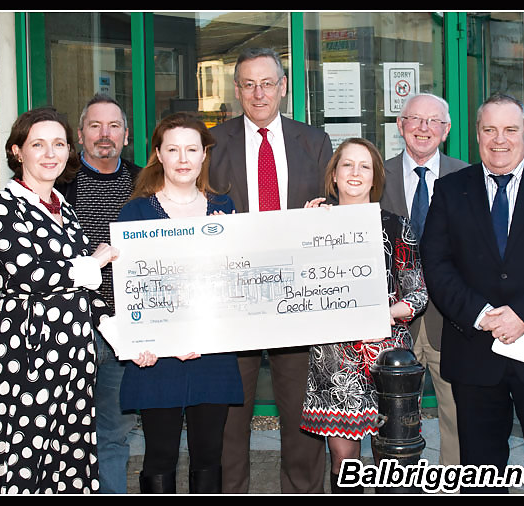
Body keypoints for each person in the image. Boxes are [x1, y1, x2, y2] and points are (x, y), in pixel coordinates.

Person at [421, 93, 524, 493]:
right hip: (475, 352)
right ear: (476, 135)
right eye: (489, 130)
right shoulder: (451, 189)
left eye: (509, 129)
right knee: (481, 474)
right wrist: (482, 314)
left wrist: (523, 314)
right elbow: (436, 264)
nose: (499, 139)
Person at [0, 107, 118, 494]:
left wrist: (127, 339)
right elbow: (26, 276)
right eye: (38, 144)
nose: (50, 153)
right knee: (22, 461)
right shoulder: (2, 203)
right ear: (18, 151)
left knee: (69, 464)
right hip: (29, 358)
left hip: (74, 361)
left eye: (58, 144)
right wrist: (93, 260)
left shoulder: (63, 208)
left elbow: (88, 294)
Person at [208, 47, 332, 494]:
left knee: (301, 410)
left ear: (283, 87)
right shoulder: (213, 143)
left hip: (297, 298)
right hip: (233, 298)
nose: (258, 93)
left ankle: (301, 491)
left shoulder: (314, 141)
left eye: (267, 83)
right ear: (237, 90)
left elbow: (332, 208)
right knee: (229, 413)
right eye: (248, 84)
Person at [117, 112, 244, 494]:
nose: (183, 158)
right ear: (159, 154)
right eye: (173, 149)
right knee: (159, 455)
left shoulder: (224, 209)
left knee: (209, 455)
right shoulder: (135, 212)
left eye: (192, 149)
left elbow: (237, 286)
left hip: (213, 357)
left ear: (204, 154)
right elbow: (130, 290)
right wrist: (151, 341)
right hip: (157, 359)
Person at [300, 137, 428, 493]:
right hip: (333, 361)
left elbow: (418, 295)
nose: (355, 173)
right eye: (347, 165)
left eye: (364, 166)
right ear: (334, 176)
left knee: (393, 465)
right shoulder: (310, 224)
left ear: (375, 178)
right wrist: (300, 231)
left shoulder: (395, 225)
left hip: (386, 359)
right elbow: (293, 288)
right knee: (344, 466)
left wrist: (382, 314)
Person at [56, 94, 140, 494]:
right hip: (73, 328)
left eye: (113, 127)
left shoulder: (145, 185)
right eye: (95, 126)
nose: (104, 135)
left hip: (124, 329)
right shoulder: (58, 187)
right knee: (62, 433)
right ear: (79, 135)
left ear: (127, 135)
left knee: (112, 433)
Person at [379, 93, 467, 467]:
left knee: (458, 419)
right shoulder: (374, 176)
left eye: (433, 122)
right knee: (393, 420)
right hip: (394, 323)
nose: (423, 128)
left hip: (452, 322)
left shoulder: (467, 177)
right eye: (415, 119)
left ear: (445, 131)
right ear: (400, 126)